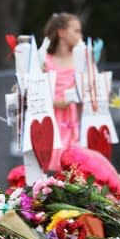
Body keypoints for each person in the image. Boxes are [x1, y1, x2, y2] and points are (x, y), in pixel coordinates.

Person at [43, 12, 82, 171]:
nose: (80, 35)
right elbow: (34, 92)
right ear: (62, 33)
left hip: (73, 117)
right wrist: (55, 102)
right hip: (52, 117)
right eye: (76, 31)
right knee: (50, 158)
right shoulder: (44, 60)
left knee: (73, 163)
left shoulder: (80, 59)